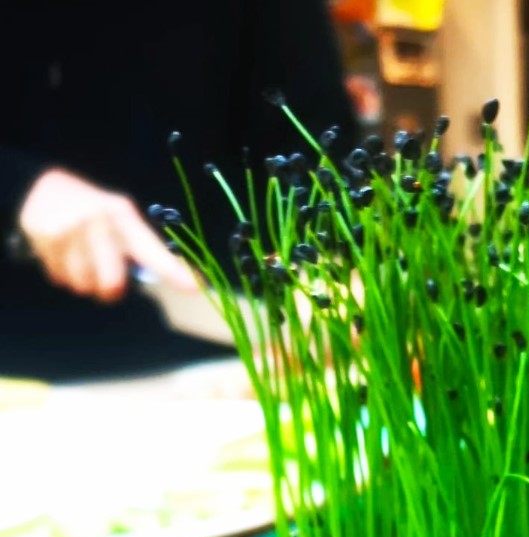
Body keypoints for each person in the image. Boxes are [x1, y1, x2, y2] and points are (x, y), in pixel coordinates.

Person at [1, 0, 358, 382]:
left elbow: (311, 145)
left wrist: (335, 268)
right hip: (19, 359)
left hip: (226, 370)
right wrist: (21, 186)